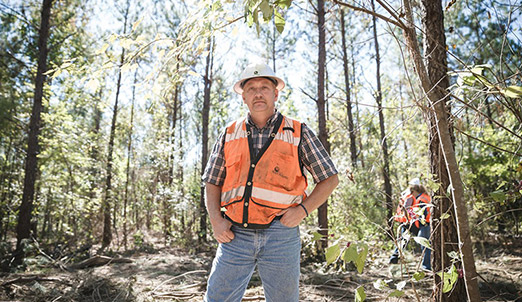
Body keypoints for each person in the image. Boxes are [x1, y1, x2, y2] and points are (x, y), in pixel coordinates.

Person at [202, 62, 339, 302]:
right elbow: (212, 182)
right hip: (235, 234)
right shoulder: (229, 132)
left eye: (264, 87)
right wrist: (216, 221)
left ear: (275, 93)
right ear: (243, 96)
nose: (258, 93)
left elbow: (329, 179)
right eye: (251, 88)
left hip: (281, 235)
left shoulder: (298, 131)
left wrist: (303, 210)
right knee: (217, 299)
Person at [389, 178, 432, 271]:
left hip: (409, 222)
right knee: (424, 244)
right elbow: (408, 208)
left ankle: (394, 257)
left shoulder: (413, 196)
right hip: (414, 222)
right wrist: (414, 218)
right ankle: (426, 266)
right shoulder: (414, 196)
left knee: (403, 241)